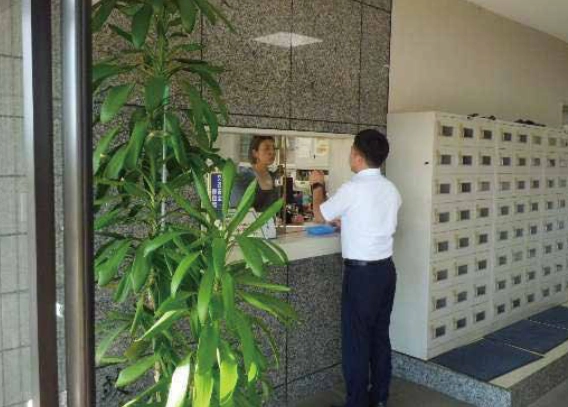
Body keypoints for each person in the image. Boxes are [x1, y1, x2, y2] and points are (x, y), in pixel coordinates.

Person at [310, 129, 401, 407]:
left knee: (356, 343)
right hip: (386, 272)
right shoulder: (390, 189)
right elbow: (371, 220)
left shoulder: (353, 188)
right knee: (379, 338)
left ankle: (357, 402)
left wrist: (317, 186)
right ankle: (379, 399)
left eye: (351, 151)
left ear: (358, 156)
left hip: (361, 277)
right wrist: (347, 222)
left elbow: (319, 214)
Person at [230, 135, 280, 212]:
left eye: (274, 148)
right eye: (266, 148)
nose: (272, 152)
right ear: (255, 153)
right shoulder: (244, 178)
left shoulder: (274, 177)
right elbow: (237, 209)